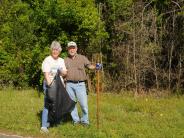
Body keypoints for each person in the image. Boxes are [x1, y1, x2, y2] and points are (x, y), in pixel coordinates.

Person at [64, 41, 101, 126]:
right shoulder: (65, 60)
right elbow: (62, 72)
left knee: (83, 104)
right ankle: (76, 120)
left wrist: (96, 67)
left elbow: (89, 66)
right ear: (67, 49)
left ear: (76, 49)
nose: (72, 50)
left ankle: (85, 121)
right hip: (69, 84)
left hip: (80, 84)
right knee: (71, 104)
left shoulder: (82, 58)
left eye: (73, 48)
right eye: (70, 48)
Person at [40, 41, 67, 133]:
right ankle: (44, 126)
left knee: (58, 104)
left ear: (59, 51)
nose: (55, 51)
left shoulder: (61, 60)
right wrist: (50, 85)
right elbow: (46, 74)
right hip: (50, 84)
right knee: (48, 104)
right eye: (53, 49)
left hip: (59, 85)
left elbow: (65, 73)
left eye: (57, 50)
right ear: (51, 50)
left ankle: (55, 121)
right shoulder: (47, 60)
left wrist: (61, 71)